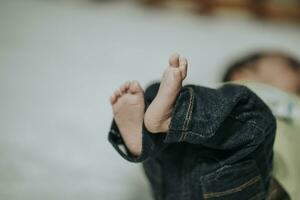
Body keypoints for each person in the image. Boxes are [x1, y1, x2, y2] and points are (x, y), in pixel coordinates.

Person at [108, 54, 276, 200]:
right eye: (293, 66)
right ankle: (158, 124)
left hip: (172, 185)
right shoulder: (276, 98)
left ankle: (152, 129)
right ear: (243, 74)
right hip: (232, 182)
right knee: (255, 117)